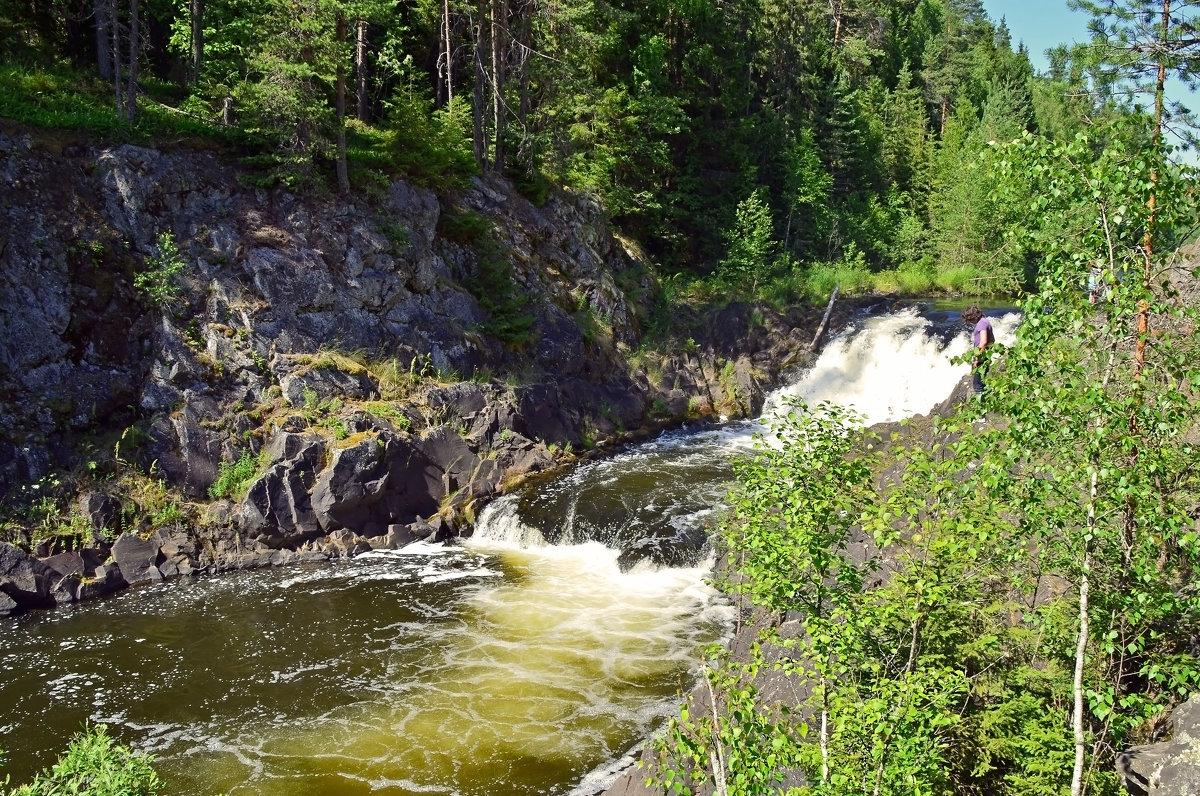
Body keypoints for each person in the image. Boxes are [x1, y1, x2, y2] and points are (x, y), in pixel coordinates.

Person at [962, 305, 993, 394]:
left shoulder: (982, 323)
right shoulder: (985, 321)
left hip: (981, 355)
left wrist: (977, 359)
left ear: (973, 316)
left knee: (977, 385)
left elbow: (983, 342)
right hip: (984, 354)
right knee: (980, 379)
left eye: (969, 319)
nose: (969, 322)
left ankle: (981, 404)